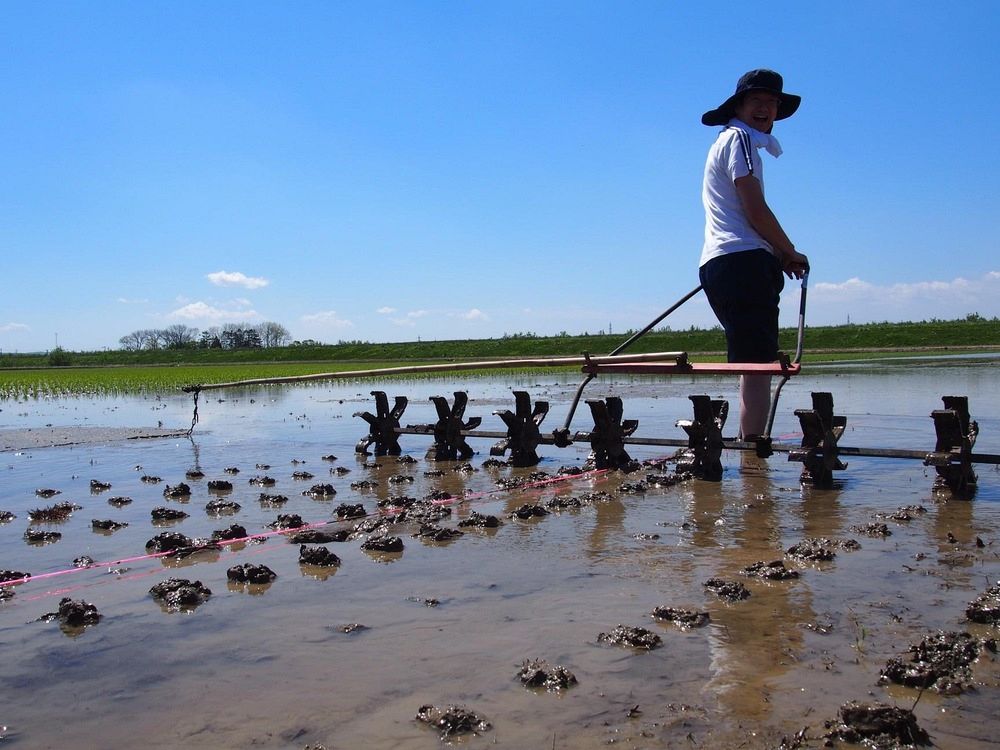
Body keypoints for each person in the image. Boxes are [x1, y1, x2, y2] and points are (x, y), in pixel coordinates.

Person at [699, 69, 809, 440]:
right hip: (743, 262)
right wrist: (788, 249)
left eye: (772, 103)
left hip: (721, 263)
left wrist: (778, 253)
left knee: (752, 363)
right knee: (759, 366)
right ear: (740, 106)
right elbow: (753, 206)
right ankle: (752, 460)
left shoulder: (726, 141)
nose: (765, 109)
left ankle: (749, 449)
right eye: (757, 101)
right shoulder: (741, 140)